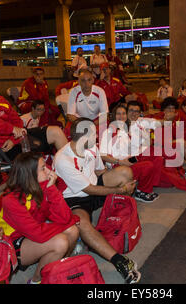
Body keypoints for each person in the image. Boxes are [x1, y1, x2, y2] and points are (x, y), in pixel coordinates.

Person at [54, 118, 141, 284]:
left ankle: (115, 219)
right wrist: (121, 190)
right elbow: (88, 189)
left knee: (125, 172)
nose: (97, 138)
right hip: (74, 197)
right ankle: (120, 261)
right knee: (81, 223)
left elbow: (100, 171)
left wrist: (120, 175)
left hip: (93, 185)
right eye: (94, 135)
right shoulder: (63, 159)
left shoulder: (91, 147)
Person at [0, 152, 80, 284]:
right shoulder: (10, 200)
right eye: (43, 168)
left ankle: (57, 267)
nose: (49, 171)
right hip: (10, 243)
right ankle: (35, 281)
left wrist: (52, 189)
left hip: (31, 234)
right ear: (30, 175)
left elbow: (65, 218)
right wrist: (67, 224)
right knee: (61, 242)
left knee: (73, 230)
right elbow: (37, 234)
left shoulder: (41, 187)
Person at [0, 73, 67, 161]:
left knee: (56, 131)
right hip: (1, 149)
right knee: (38, 152)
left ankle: (71, 168)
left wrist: (14, 138)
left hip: (15, 139)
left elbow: (17, 120)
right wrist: (12, 129)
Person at [126, 101, 186, 192]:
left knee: (172, 153)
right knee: (161, 162)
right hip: (136, 157)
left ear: (140, 113)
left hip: (148, 151)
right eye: (131, 110)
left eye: (136, 111)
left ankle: (177, 175)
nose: (133, 113)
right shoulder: (123, 126)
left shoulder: (141, 121)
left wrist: (168, 120)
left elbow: (160, 123)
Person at [99, 104, 160, 203]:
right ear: (113, 116)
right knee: (148, 165)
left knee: (157, 158)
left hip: (128, 159)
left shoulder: (125, 130)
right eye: (118, 114)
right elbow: (102, 155)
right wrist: (120, 161)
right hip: (117, 166)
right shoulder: (108, 132)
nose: (121, 116)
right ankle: (141, 192)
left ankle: (149, 185)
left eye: (123, 113)